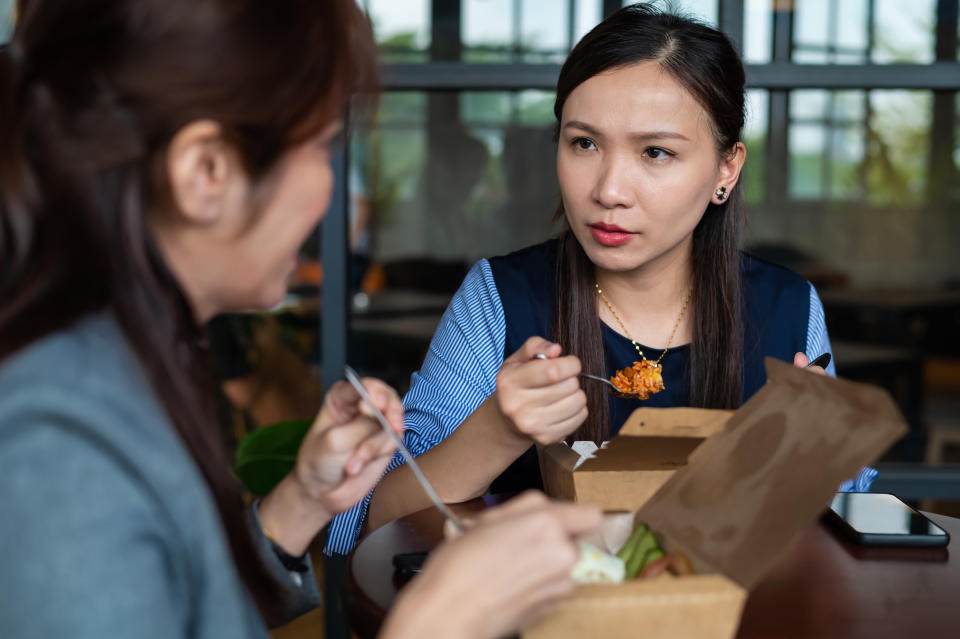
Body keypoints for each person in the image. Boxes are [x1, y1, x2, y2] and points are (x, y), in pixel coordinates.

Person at [0, 1, 601, 638]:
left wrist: (298, 506)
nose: (329, 188)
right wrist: (439, 621)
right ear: (205, 171)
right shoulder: (58, 443)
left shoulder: (123, 359)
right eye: (321, 148)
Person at [326, 3, 876, 554]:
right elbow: (363, 526)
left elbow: (850, 527)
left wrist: (817, 459)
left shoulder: (786, 307)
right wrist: (498, 430)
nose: (609, 190)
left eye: (656, 152)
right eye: (584, 143)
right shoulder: (501, 297)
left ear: (726, 169)